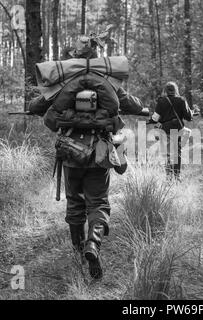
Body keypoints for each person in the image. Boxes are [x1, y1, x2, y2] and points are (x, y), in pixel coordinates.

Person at [33, 34, 144, 279]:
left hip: (70, 152)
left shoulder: (64, 81)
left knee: (75, 202)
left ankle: (77, 249)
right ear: (97, 57)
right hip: (99, 153)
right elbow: (132, 105)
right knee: (99, 202)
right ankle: (93, 244)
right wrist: (139, 106)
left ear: (74, 57)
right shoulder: (106, 80)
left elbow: (36, 107)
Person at [149, 82, 193, 180]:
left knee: (168, 153)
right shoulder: (182, 100)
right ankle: (177, 176)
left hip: (165, 130)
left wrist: (151, 120)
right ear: (176, 90)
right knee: (177, 152)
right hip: (178, 129)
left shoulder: (161, 101)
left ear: (165, 91)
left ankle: (168, 177)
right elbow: (189, 117)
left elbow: (155, 118)